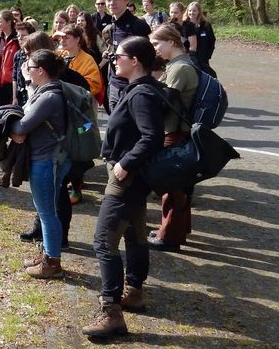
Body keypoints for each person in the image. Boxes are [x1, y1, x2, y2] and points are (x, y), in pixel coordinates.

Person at [81, 36, 165, 338]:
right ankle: (135, 291)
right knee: (135, 234)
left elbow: (151, 136)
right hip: (136, 178)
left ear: (135, 62)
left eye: (118, 56)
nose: (113, 60)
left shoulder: (142, 93)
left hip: (127, 177)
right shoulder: (144, 89)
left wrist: (125, 163)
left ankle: (111, 311)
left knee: (103, 241)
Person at [9, 49, 71, 279]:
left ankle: (52, 262)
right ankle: (47, 253)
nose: (26, 69)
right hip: (50, 157)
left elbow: (23, 125)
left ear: (41, 71)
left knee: (47, 213)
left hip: (46, 160)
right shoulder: (47, 90)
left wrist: (13, 131)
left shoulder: (49, 97)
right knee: (47, 210)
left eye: (30, 66)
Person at [148, 24, 199, 251]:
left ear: (172, 41)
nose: (155, 48)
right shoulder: (178, 65)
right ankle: (174, 230)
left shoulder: (181, 68)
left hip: (176, 132)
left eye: (157, 43)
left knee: (172, 186)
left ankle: (169, 236)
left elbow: (166, 102)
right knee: (179, 185)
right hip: (177, 130)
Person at [54, 24, 103, 205]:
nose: (63, 40)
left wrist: (70, 76)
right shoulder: (59, 56)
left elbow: (93, 86)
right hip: (64, 110)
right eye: (62, 38)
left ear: (77, 39)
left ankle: (77, 185)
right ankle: (70, 178)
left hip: (83, 113)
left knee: (80, 144)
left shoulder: (87, 59)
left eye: (67, 37)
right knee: (66, 146)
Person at [102, 0, 151, 112]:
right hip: (114, 85)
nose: (112, 3)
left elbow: (148, 59)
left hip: (132, 87)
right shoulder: (112, 26)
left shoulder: (138, 26)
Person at [0, 10, 20, 106]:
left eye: (0, 21)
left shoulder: (18, 38)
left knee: (12, 109)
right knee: (0, 108)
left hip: (12, 80)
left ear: (8, 22)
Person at [185, 1, 217, 77]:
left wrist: (208, 55)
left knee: (206, 77)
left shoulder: (206, 25)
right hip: (189, 58)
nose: (191, 12)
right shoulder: (184, 25)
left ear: (199, 11)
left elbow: (212, 40)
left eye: (194, 10)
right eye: (190, 10)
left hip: (203, 58)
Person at [11, 21, 36, 106]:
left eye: (23, 36)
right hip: (20, 96)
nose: (20, 38)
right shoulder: (17, 54)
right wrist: (14, 97)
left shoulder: (36, 55)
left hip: (33, 94)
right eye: (18, 35)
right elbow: (14, 77)